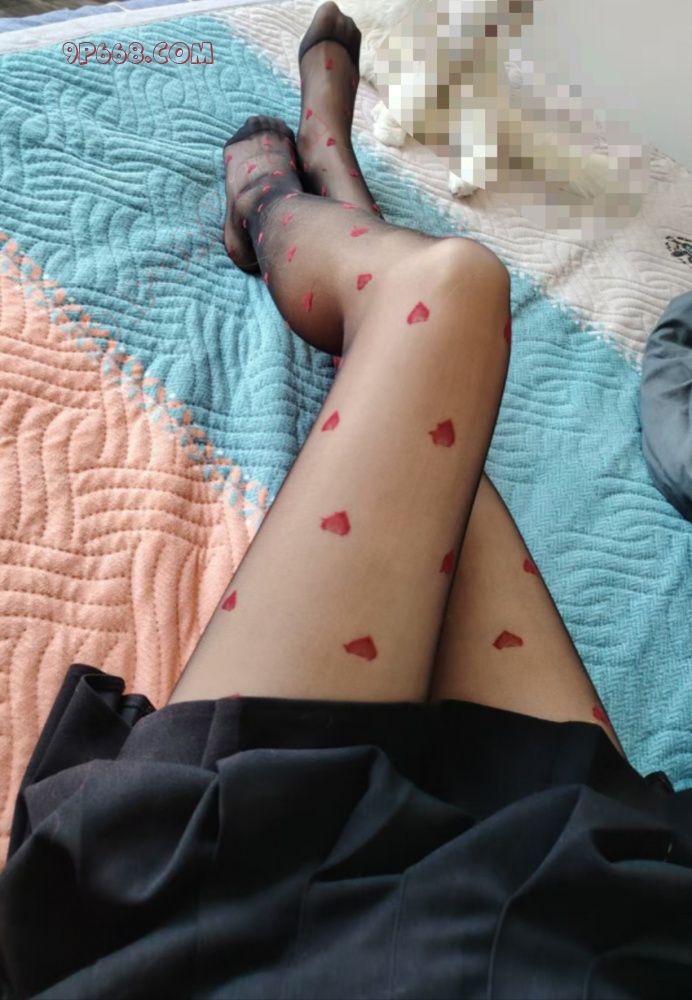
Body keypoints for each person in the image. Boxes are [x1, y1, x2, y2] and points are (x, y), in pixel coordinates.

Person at [2, 4, 692, 997]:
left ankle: (285, 208)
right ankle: (338, 200)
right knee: (427, 454)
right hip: (603, 912)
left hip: (249, 932)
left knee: (447, 296)